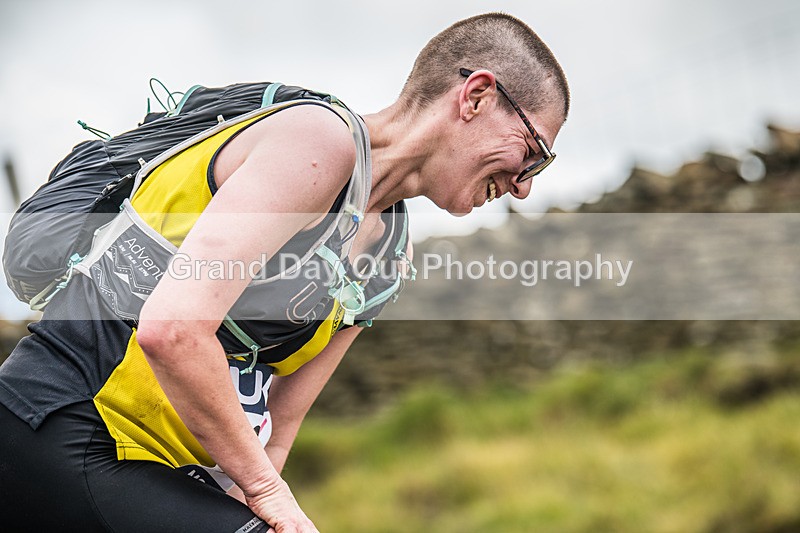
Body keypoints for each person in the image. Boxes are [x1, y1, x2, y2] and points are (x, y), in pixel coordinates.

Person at [0, 12, 569, 533]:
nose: (524, 184)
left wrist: (258, 503)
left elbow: (276, 426)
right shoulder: (316, 143)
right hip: (62, 422)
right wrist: (268, 495)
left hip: (154, 471)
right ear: (476, 96)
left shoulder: (387, 257)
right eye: (534, 151)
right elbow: (172, 329)